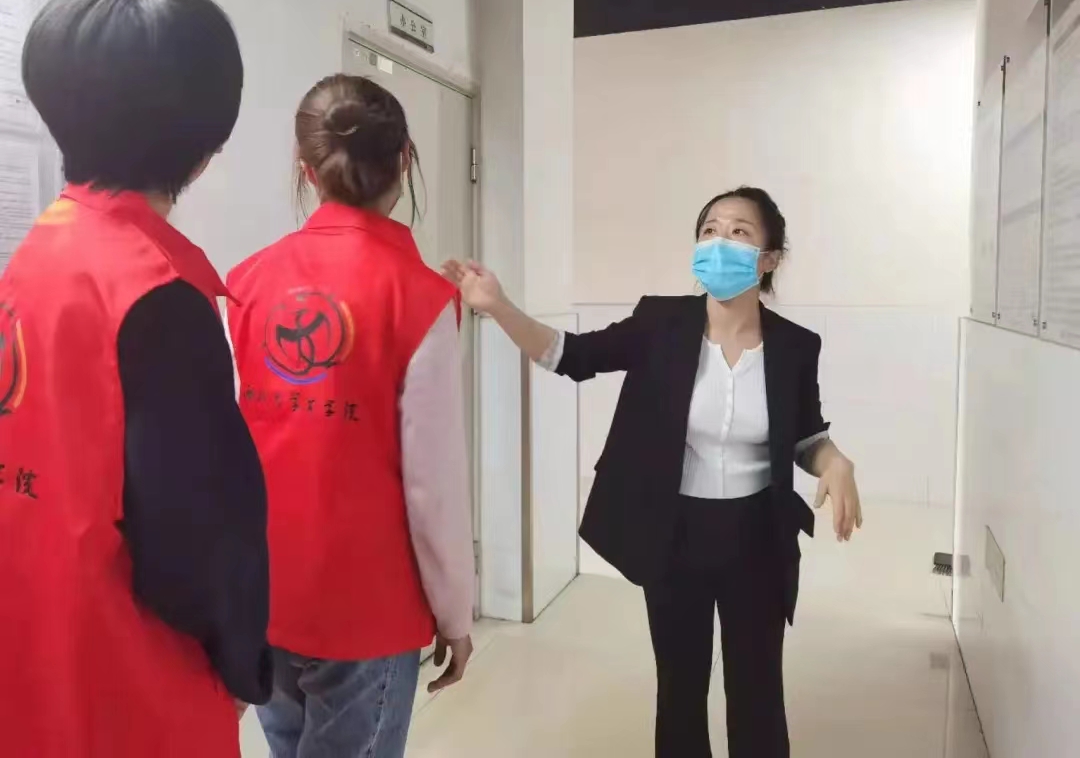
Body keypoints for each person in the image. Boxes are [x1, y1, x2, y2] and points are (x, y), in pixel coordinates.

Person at [443, 186, 863, 758]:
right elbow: (572, 355)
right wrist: (498, 306)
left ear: (769, 258)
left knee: (758, 690)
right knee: (680, 688)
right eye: (709, 229)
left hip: (758, 538)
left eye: (739, 232)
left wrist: (833, 460)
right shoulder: (660, 322)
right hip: (675, 534)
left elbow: (805, 435)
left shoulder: (794, 346)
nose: (719, 242)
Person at [0, 0, 271, 757]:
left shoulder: (37, 250)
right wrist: (242, 658)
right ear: (205, 144)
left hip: (33, 649)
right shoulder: (156, 295)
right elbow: (195, 539)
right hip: (127, 683)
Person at [226, 74, 475, 758]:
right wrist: (455, 612)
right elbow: (433, 485)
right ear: (405, 161)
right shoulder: (421, 297)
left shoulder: (243, 282)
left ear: (305, 170)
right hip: (369, 607)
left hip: (265, 593)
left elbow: (231, 454)